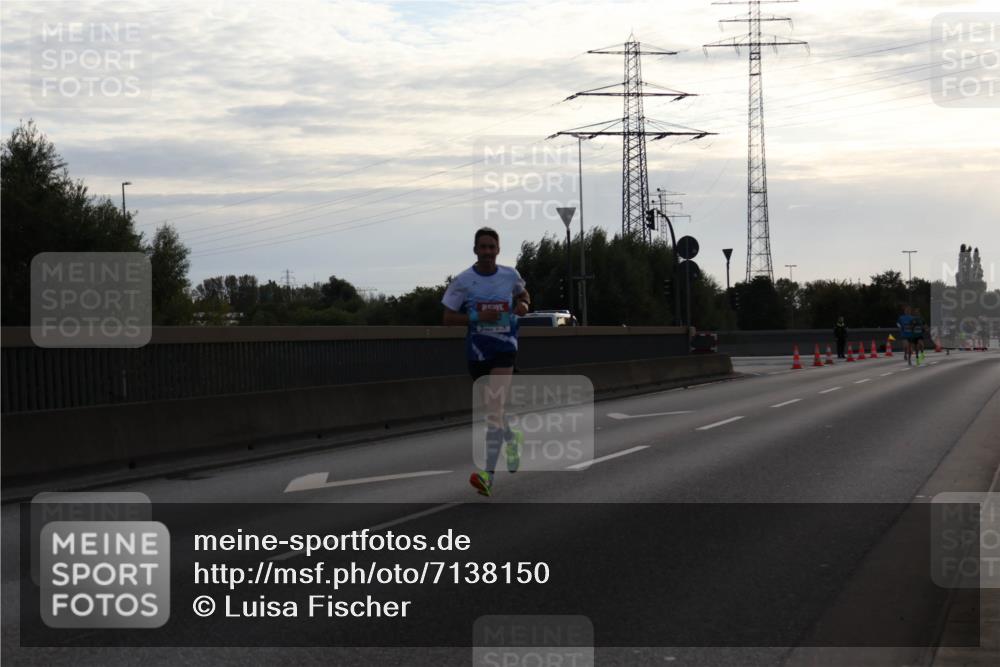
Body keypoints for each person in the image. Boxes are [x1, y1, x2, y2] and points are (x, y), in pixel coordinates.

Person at [441, 227, 531, 497]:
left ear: (498, 249)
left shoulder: (510, 275)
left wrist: (524, 306)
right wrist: (477, 318)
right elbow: (447, 319)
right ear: (475, 250)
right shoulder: (464, 281)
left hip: (505, 348)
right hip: (477, 352)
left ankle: (487, 475)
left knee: (494, 408)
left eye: (492, 247)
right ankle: (511, 437)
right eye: (483, 247)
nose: (488, 252)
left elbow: (524, 294)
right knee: (493, 409)